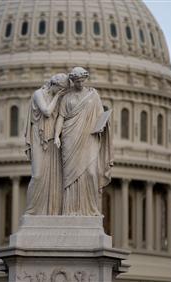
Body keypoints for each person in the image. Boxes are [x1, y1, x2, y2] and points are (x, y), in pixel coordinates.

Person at [54, 67, 113, 216]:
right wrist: (56, 136)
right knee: (69, 177)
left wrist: (103, 125)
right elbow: (61, 117)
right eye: (77, 81)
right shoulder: (66, 98)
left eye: (82, 81)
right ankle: (70, 209)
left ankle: (90, 209)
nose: (80, 84)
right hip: (70, 137)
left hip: (89, 138)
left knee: (91, 173)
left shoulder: (93, 95)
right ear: (72, 81)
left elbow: (100, 115)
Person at [24, 73, 69, 215]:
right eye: (61, 89)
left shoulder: (60, 98)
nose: (62, 92)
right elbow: (47, 111)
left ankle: (51, 210)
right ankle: (32, 210)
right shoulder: (39, 94)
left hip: (53, 139)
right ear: (54, 85)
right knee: (37, 175)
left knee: (53, 178)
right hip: (39, 137)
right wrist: (57, 96)